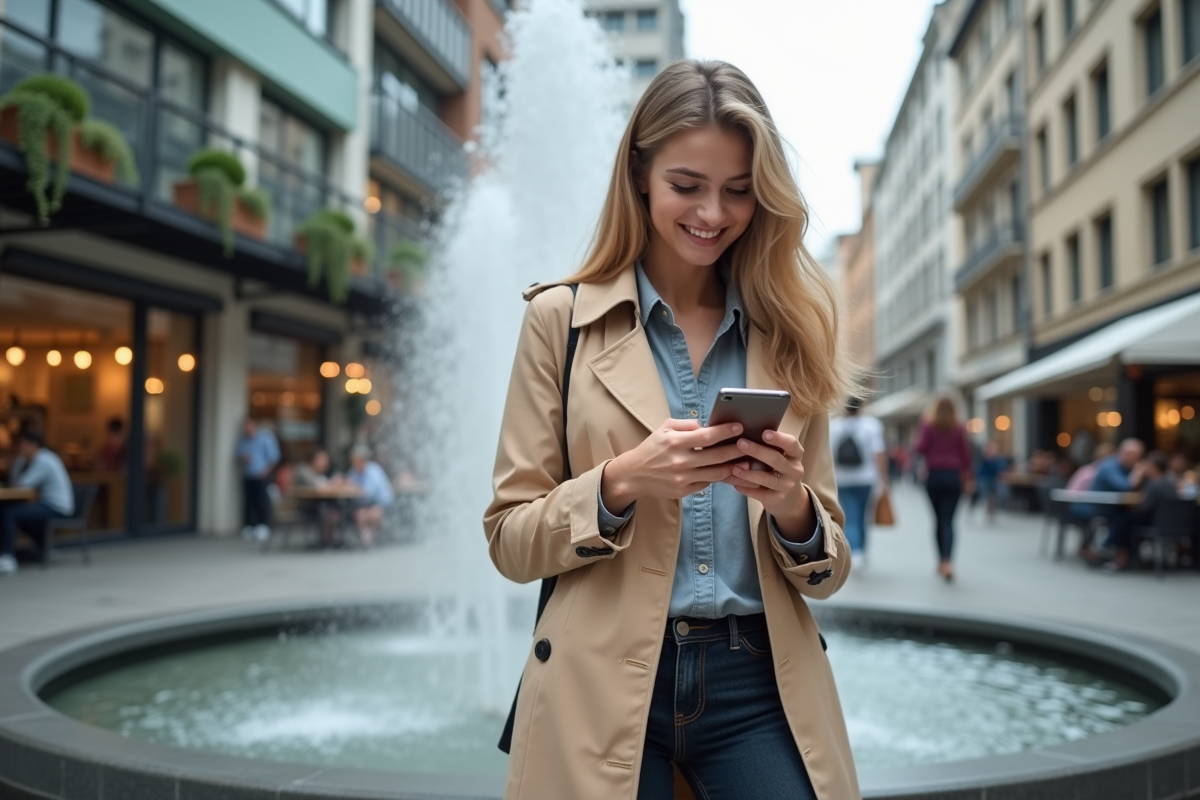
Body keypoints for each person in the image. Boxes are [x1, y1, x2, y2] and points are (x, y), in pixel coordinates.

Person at [484, 61, 857, 800]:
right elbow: (508, 539)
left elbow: (831, 569)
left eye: (740, 191)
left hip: (760, 683)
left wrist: (791, 508)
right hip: (598, 677)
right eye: (688, 186)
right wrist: (620, 484)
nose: (713, 214)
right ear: (640, 175)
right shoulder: (559, 321)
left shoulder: (790, 332)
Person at [1, 430, 74, 575]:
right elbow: (15, 481)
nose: (21, 449)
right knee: (11, 512)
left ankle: (7, 557)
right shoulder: (31, 459)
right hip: (46, 504)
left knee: (9, 513)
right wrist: (19, 461)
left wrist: (18, 461)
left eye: (23, 446)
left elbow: (22, 485)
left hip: (57, 506)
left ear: (33, 445)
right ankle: (44, 547)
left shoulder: (44, 460)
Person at [915, 397, 972, 581]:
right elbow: (966, 456)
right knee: (949, 520)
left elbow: (920, 447)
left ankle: (941, 561)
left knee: (938, 520)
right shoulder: (959, 428)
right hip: (953, 476)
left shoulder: (928, 425)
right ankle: (947, 561)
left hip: (934, 476)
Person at [829, 397, 887, 568]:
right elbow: (879, 454)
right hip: (866, 478)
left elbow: (828, 455)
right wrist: (884, 479)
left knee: (851, 515)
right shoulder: (871, 425)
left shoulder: (835, 426)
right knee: (862, 516)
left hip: (843, 479)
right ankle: (858, 550)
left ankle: (856, 550)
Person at [1103, 451, 1179, 572]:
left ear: (1153, 467)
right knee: (1125, 520)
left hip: (1155, 522)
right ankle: (1124, 554)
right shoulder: (1169, 483)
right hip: (1171, 523)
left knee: (1122, 520)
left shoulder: (1155, 485)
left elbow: (1144, 507)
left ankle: (1121, 557)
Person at [1080, 438, 1145, 566]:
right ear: (1124, 453)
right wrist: (1138, 473)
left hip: (1120, 507)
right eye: (1135, 456)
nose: (1137, 460)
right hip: (1100, 508)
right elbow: (1125, 486)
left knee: (1133, 516)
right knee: (1123, 519)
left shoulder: (1129, 468)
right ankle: (1109, 550)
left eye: (1139, 456)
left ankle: (1125, 555)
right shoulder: (1109, 466)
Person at [236, 418, 279, 543]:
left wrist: (265, 471)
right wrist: (243, 459)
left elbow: (274, 457)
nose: (247, 429)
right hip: (248, 475)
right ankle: (250, 526)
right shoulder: (242, 440)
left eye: (249, 426)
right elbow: (237, 457)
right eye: (245, 427)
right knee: (248, 501)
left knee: (262, 501)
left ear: (254, 425)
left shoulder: (265, 438)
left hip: (261, 476)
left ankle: (263, 525)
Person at [346, 445, 393, 548]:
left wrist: (355, 488)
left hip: (380, 502)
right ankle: (366, 541)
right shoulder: (354, 471)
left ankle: (372, 539)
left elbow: (370, 493)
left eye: (356, 460)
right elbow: (349, 484)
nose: (354, 463)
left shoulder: (374, 471)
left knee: (374, 514)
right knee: (359, 515)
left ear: (363, 460)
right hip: (364, 503)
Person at [974, 440, 1011, 522]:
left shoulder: (998, 458)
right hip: (984, 479)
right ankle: (988, 512)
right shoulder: (983, 457)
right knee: (987, 496)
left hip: (994, 479)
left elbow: (1001, 469)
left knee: (994, 496)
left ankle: (992, 512)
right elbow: (978, 469)